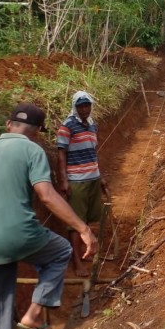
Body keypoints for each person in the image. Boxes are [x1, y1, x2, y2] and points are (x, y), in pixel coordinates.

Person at [0, 103, 98, 329]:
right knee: (60, 251)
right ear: (37, 131)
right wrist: (83, 228)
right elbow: (46, 195)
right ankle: (33, 314)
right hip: (19, 232)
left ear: (8, 124)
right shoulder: (33, 151)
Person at [56, 90, 109, 277]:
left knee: (86, 219)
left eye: (87, 105)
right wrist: (64, 180)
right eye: (81, 106)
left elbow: (94, 153)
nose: (85, 109)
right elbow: (61, 154)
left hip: (93, 178)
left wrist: (100, 176)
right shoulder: (67, 126)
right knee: (75, 222)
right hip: (76, 181)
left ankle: (84, 253)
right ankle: (76, 261)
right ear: (75, 107)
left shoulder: (92, 125)